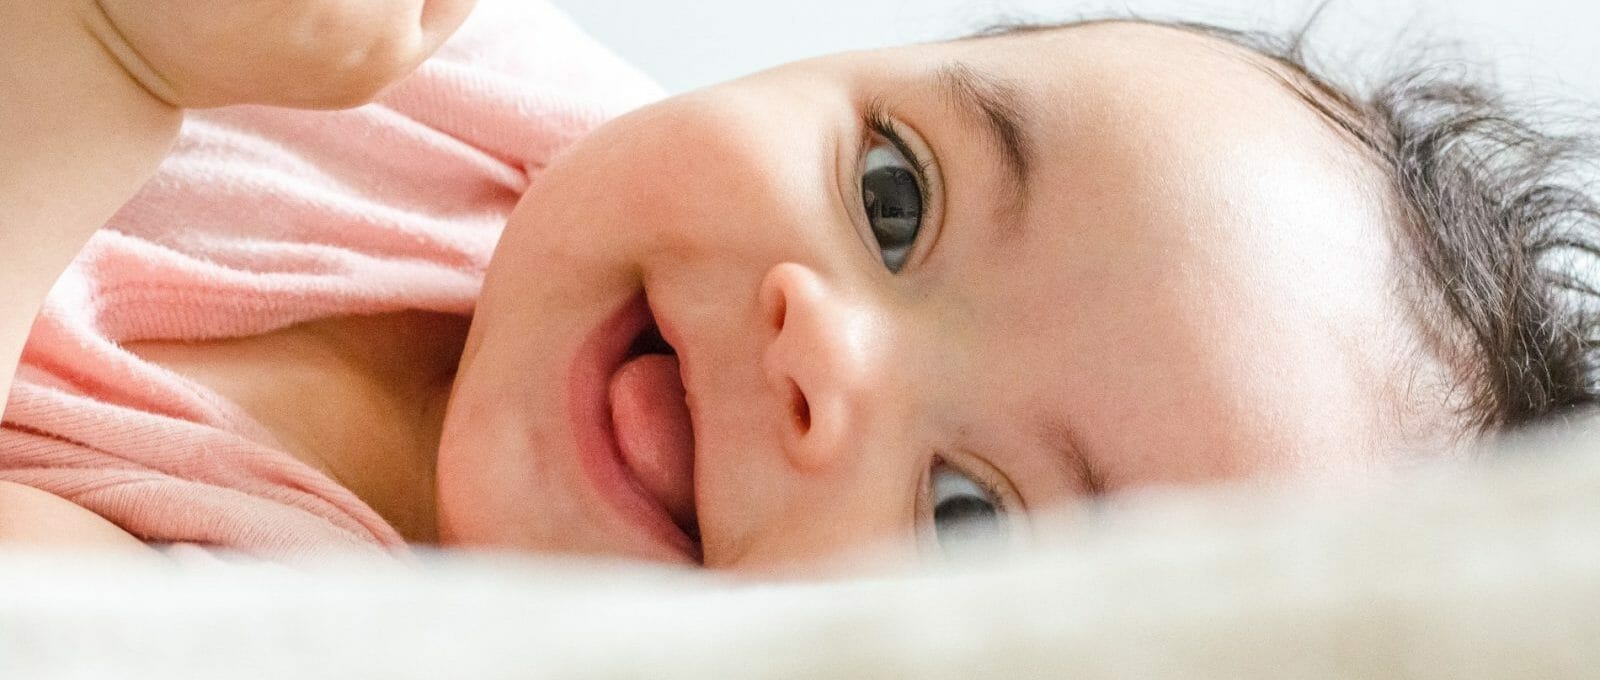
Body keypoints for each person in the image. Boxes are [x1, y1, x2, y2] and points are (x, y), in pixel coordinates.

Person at [1, 0, 1594, 576]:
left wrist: (106, 60)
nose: (821, 336)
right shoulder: (500, 99)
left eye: (968, 512)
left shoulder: (297, 621)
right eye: (892, 192)